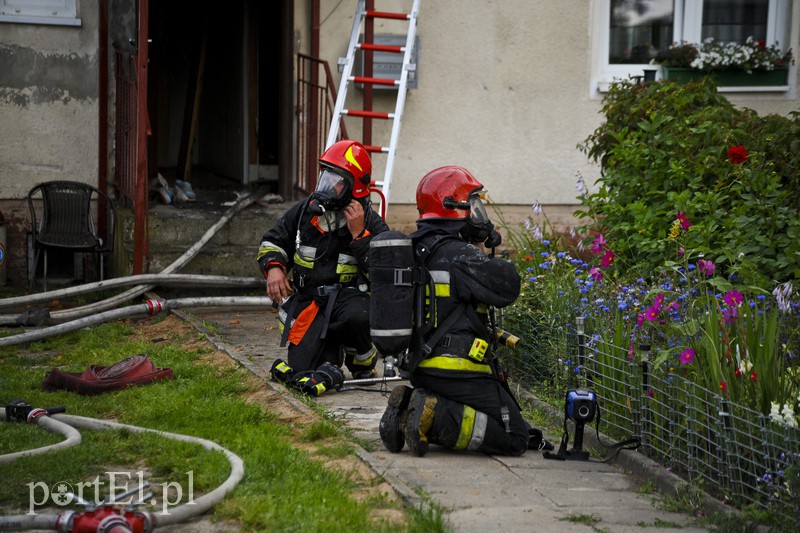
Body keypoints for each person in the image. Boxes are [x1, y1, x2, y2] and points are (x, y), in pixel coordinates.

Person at [378, 165, 552, 456]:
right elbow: (507, 287)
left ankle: (410, 407)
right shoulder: (459, 255)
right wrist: (483, 251)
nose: (478, 214)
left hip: (421, 367)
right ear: (453, 208)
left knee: (499, 418)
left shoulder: (413, 247)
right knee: (515, 436)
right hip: (457, 369)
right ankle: (431, 418)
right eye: (473, 205)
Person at [257, 140, 389, 396]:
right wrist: (274, 268)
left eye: (336, 180)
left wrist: (360, 235)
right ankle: (328, 353)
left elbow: (382, 272)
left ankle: (362, 364)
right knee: (303, 370)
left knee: (358, 316)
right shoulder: (305, 211)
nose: (327, 186)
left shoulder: (370, 220)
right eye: (325, 176)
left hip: (348, 300)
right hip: (310, 302)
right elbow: (272, 241)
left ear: (353, 187)